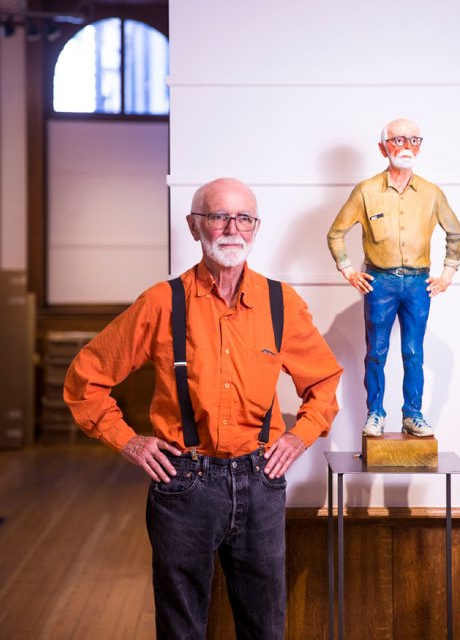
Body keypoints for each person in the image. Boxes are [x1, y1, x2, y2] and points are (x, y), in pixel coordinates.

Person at [64, 177, 342, 640]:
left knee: (265, 627)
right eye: (218, 216)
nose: (232, 227)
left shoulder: (281, 303)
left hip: (261, 483)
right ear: (196, 227)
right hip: (183, 487)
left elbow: (325, 382)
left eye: (244, 218)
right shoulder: (161, 302)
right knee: (181, 628)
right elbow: (84, 379)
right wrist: (128, 441)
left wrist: (299, 437)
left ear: (256, 228)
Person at [327, 118, 460, 438]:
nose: (407, 146)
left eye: (414, 140)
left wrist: (447, 273)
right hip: (380, 283)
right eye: (399, 140)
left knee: (414, 351)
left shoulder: (431, 193)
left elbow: (455, 233)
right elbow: (336, 233)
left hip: (418, 284)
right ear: (383, 147)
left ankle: (412, 414)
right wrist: (347, 269)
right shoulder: (366, 191)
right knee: (377, 350)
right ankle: (375, 413)